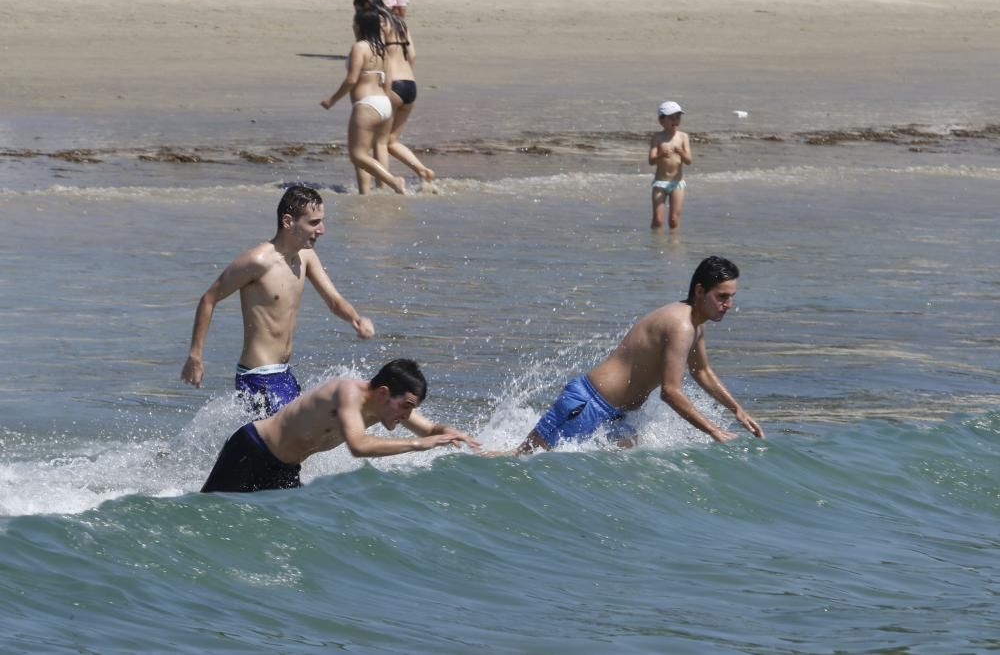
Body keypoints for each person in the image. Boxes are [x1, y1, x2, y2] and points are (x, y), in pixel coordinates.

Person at [513, 256, 763, 454]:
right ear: (699, 291)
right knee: (520, 461)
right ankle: (476, 456)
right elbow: (671, 392)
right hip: (588, 406)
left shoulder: (695, 325)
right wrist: (713, 431)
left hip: (620, 417)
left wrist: (737, 409)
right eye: (722, 296)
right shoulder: (681, 325)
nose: (729, 304)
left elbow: (702, 371)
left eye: (731, 297)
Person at [181, 186, 375, 417]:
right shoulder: (258, 261)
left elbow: (333, 301)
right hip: (257, 377)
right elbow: (208, 299)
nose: (322, 230)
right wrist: (195, 356)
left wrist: (355, 318)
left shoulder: (306, 256)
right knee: (288, 447)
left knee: (302, 443)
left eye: (321, 221)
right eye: (313, 223)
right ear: (288, 221)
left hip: (283, 374)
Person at [201, 359, 481, 493]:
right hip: (252, 450)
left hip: (285, 469)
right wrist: (418, 445)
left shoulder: (385, 409)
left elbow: (430, 430)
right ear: (383, 393)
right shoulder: (347, 393)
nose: (408, 415)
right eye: (406, 406)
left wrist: (449, 432)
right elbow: (358, 446)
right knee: (209, 517)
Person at [354, 0, 435, 192]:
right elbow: (412, 55)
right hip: (411, 84)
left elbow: (380, 54)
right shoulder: (399, 21)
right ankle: (423, 171)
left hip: (393, 86)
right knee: (391, 141)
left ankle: (383, 187)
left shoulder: (379, 22)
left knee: (379, 143)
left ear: (365, 6)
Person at [321, 10, 407, 195]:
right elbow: (388, 82)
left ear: (360, 26)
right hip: (384, 103)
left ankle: (393, 181)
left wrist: (332, 100)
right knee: (375, 149)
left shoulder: (359, 47)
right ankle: (368, 194)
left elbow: (351, 80)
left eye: (354, 23)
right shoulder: (382, 49)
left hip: (367, 105)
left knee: (358, 155)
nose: (353, 26)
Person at [648, 100, 692, 230]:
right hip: (660, 183)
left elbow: (689, 161)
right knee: (658, 219)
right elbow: (651, 161)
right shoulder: (657, 138)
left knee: (673, 219)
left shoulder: (683, 137)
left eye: (678, 117)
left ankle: (673, 243)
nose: (675, 120)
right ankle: (656, 243)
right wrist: (660, 155)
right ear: (661, 121)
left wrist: (681, 152)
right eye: (671, 118)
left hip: (677, 183)